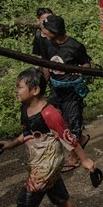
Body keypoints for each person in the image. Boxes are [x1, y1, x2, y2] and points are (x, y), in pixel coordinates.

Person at [0, 68, 94, 207]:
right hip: (39, 161)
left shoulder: (50, 113)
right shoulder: (25, 108)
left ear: (34, 90)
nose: (16, 90)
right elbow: (28, 132)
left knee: (25, 204)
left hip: (48, 164)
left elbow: (68, 137)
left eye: (20, 87)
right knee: (57, 194)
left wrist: (85, 160)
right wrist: (12, 144)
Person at [41, 15, 92, 167]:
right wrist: (46, 82)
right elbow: (45, 64)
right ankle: (80, 140)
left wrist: (80, 70)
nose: (44, 32)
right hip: (55, 88)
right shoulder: (47, 44)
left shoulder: (75, 46)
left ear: (55, 31)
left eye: (47, 30)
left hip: (71, 90)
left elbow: (87, 65)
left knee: (73, 121)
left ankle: (73, 156)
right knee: (51, 117)